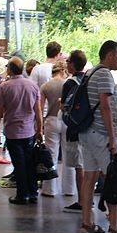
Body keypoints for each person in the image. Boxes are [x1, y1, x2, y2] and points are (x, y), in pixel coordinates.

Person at [76, 40, 117, 233]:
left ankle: (87, 223)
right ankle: (115, 228)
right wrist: (112, 137)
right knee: (113, 177)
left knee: (89, 177)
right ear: (109, 55)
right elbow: (106, 105)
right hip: (101, 134)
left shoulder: (90, 73)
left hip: (86, 133)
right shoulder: (105, 75)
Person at [0, 57, 43, 204]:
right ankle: (33, 193)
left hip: (12, 131)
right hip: (29, 131)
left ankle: (22, 194)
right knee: (29, 162)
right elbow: (38, 110)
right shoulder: (33, 86)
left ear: (9, 69)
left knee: (19, 164)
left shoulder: (4, 87)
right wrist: (40, 129)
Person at [61, 49, 88, 212]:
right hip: (87, 127)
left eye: (68, 61)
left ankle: (82, 201)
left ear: (73, 64)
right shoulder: (87, 80)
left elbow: (64, 106)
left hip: (75, 129)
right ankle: (87, 198)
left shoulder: (70, 83)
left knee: (79, 166)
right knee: (86, 165)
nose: (66, 64)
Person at [39, 60, 69, 197]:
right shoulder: (68, 84)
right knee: (69, 155)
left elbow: (40, 108)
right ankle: (70, 189)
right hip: (66, 120)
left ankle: (49, 189)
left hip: (51, 120)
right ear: (63, 71)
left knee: (51, 154)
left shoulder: (45, 86)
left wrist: (39, 126)